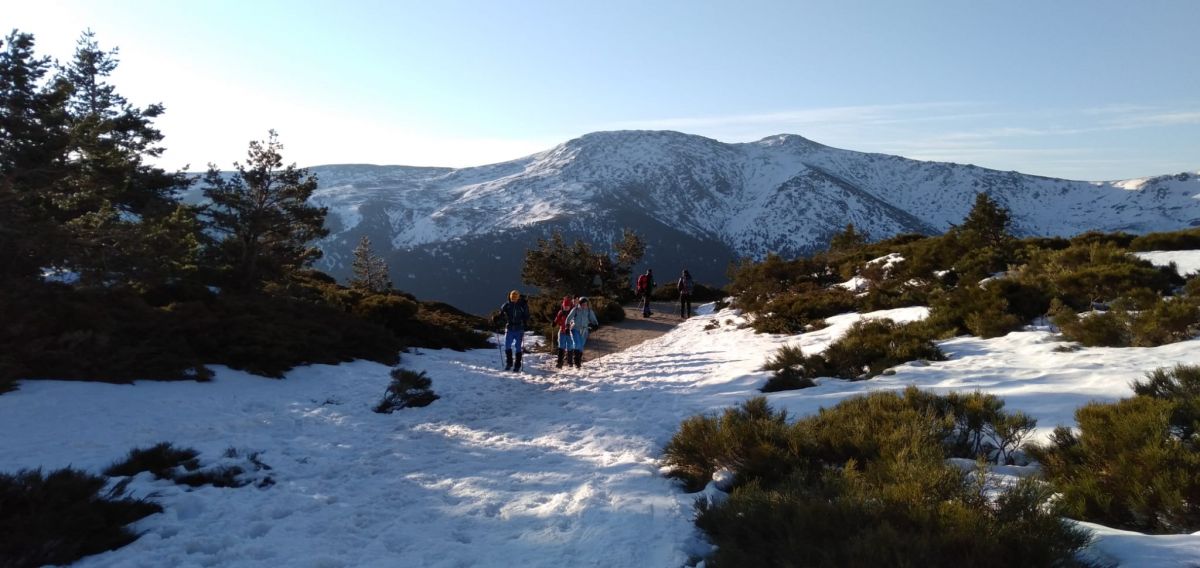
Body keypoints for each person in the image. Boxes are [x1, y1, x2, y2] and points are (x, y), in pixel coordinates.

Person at [497, 289, 530, 372]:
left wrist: (525, 323)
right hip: (510, 328)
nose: (513, 300)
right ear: (510, 297)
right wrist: (496, 318)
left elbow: (526, 316)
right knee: (507, 345)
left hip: (519, 329)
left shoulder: (522, 305)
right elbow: (501, 314)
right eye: (512, 298)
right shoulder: (507, 305)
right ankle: (509, 363)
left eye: (515, 298)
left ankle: (517, 365)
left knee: (518, 347)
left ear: (518, 298)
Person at [565, 296, 600, 368]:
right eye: (582, 304)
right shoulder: (575, 310)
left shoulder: (589, 311)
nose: (584, 305)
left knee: (581, 346)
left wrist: (595, 325)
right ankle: (576, 362)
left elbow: (593, 319)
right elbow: (569, 318)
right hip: (575, 329)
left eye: (585, 304)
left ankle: (578, 361)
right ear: (580, 304)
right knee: (577, 344)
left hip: (584, 330)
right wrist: (567, 325)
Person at [552, 296, 575, 369]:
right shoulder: (561, 312)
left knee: (570, 346)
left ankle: (570, 362)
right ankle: (559, 362)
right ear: (563, 306)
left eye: (567, 307)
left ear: (570, 306)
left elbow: (574, 322)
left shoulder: (572, 313)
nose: (566, 308)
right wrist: (554, 323)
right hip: (562, 331)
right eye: (565, 306)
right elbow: (557, 318)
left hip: (570, 333)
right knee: (561, 346)